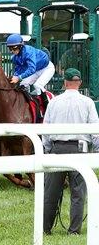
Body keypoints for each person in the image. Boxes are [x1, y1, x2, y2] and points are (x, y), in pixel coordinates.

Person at [42, 68, 99, 235]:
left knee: (50, 193)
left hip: (57, 148)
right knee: (78, 193)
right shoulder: (88, 102)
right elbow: (95, 131)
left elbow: (46, 129)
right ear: (79, 82)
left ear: (65, 82)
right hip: (80, 150)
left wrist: (47, 149)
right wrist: (97, 150)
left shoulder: (54, 102)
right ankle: (74, 230)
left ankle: (45, 228)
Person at [6, 33, 55, 107]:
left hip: (47, 68)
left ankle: (47, 107)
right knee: (23, 85)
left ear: (21, 46)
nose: (12, 51)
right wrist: (14, 77)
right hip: (36, 70)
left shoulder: (28, 52)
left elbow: (31, 69)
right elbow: (18, 70)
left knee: (38, 85)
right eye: (10, 48)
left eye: (14, 48)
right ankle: (27, 105)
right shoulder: (15, 57)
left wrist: (18, 78)